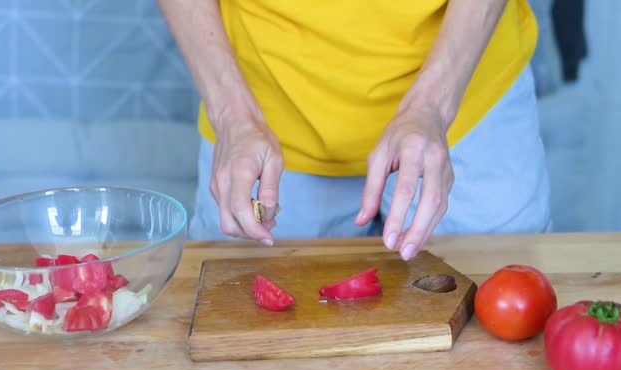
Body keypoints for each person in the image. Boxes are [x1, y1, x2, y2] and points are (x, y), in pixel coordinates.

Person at [158, 0, 551, 261]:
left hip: (466, 88)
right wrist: (231, 116)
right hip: (262, 109)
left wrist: (432, 106)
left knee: (501, 321)